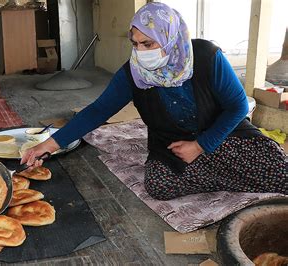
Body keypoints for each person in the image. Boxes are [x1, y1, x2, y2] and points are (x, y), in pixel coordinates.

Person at [21, 2, 287, 200]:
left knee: (278, 169)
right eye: (135, 44)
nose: (141, 52)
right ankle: (231, 175)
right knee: (159, 185)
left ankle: (221, 169)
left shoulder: (206, 56)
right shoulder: (133, 73)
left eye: (148, 44)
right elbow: (98, 110)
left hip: (222, 134)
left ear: (170, 39)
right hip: (173, 145)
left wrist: (202, 145)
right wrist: (50, 143)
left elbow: (238, 106)